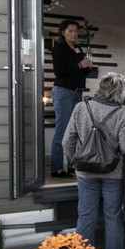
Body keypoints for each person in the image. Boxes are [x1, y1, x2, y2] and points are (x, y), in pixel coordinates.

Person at [64, 72, 125, 249]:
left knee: (85, 219)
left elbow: (67, 142)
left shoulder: (81, 108)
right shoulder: (123, 115)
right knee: (113, 218)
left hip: (86, 173)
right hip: (113, 174)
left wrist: (76, 162)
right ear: (120, 92)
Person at [51, 19, 93, 178]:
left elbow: (80, 73)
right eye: (70, 31)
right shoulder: (59, 49)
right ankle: (56, 168)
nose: (74, 34)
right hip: (63, 92)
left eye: (76, 31)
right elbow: (60, 72)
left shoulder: (78, 49)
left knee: (74, 131)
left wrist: (87, 68)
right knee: (62, 131)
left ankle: (71, 165)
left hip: (76, 92)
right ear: (63, 32)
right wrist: (80, 66)